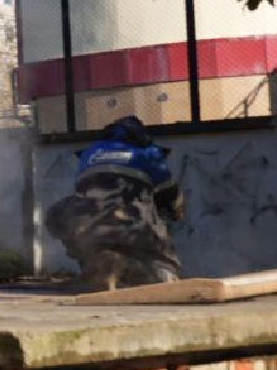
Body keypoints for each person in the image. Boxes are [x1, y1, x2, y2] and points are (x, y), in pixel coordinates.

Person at [45, 115, 185, 290]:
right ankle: (158, 273)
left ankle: (92, 263)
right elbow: (170, 195)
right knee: (164, 263)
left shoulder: (90, 152)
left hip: (87, 226)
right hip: (134, 224)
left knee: (58, 213)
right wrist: (174, 213)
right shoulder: (150, 153)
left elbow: (81, 192)